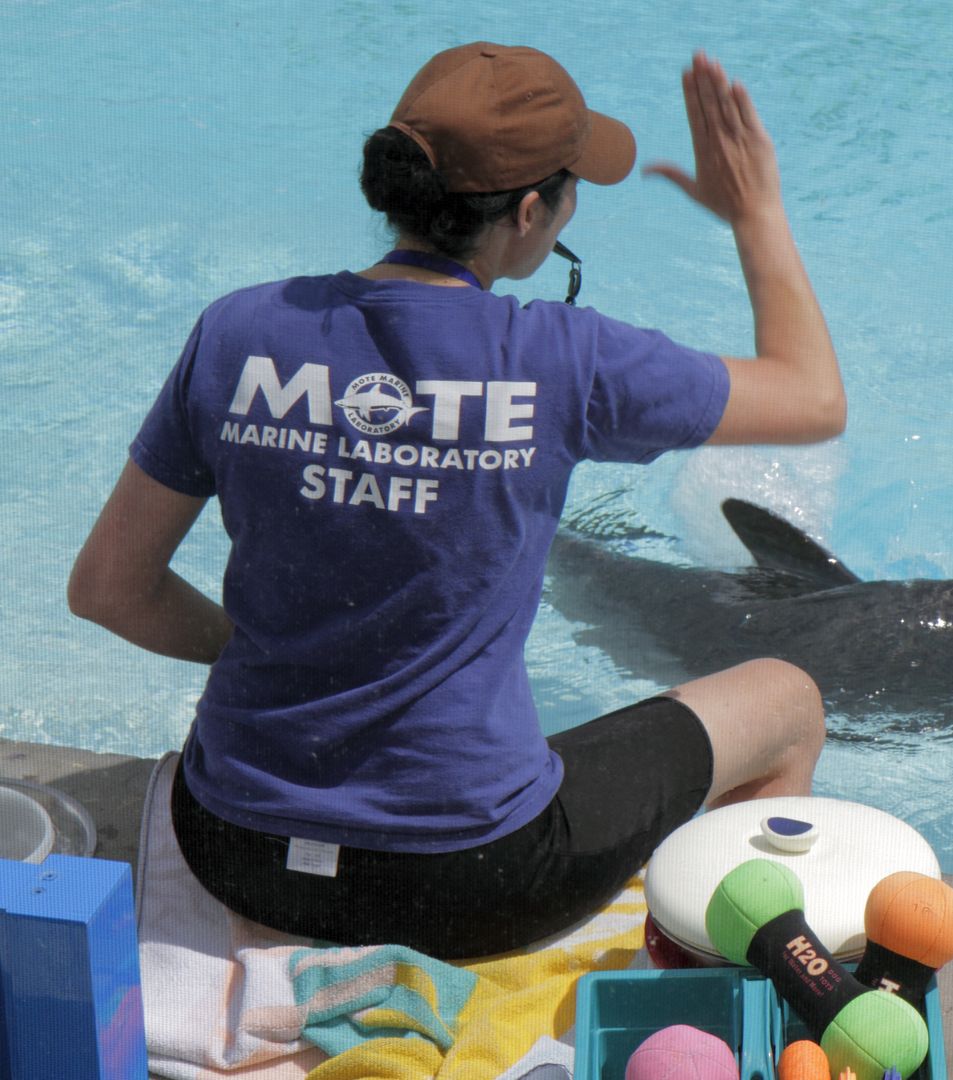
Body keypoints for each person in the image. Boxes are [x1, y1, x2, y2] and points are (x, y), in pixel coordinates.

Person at [66, 43, 843, 958]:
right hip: (472, 881)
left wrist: (264, 654)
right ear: (527, 212)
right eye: (569, 188)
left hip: (233, 847)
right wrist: (755, 212)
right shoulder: (562, 360)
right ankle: (723, 977)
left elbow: (108, 589)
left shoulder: (240, 332)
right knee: (787, 697)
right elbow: (811, 397)